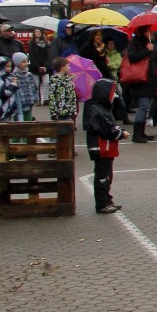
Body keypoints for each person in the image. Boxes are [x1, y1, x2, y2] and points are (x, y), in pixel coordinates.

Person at [82, 78, 126, 213]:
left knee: (107, 176)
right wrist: (121, 133)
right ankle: (102, 203)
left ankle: (106, 199)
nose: (113, 97)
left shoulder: (101, 109)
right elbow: (108, 130)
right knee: (103, 176)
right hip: (102, 148)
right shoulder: (97, 110)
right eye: (111, 93)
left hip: (105, 149)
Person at [47, 57, 79, 124]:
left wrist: (74, 110)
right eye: (68, 66)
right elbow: (51, 96)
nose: (69, 67)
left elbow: (72, 96)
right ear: (62, 67)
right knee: (60, 128)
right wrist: (53, 113)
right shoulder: (54, 79)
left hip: (69, 111)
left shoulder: (68, 79)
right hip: (59, 112)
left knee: (69, 128)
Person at [11, 52, 38, 121]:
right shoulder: (13, 76)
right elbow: (12, 91)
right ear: (17, 63)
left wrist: (34, 98)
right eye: (23, 62)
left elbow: (35, 88)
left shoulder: (29, 75)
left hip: (29, 105)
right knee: (19, 125)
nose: (26, 63)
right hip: (18, 108)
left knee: (28, 123)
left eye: (27, 61)